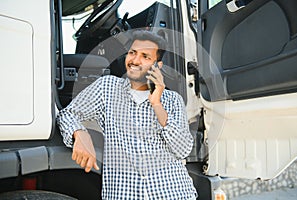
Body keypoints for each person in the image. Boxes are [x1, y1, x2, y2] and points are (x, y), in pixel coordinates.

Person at [57, 30, 198, 199]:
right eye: (132, 53)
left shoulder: (173, 99)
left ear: (157, 66)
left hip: (172, 193)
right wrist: (79, 134)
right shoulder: (106, 87)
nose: (135, 60)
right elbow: (67, 114)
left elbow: (182, 150)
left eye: (145, 56)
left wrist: (157, 104)